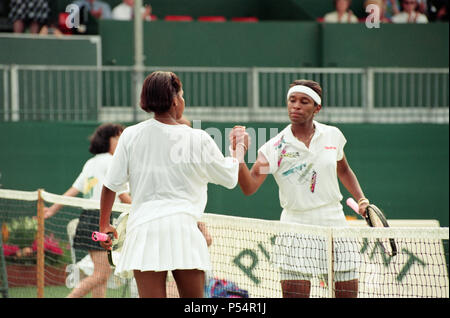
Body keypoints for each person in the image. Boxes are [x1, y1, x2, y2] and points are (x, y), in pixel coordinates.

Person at [98, 71, 244, 298]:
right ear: (176, 101)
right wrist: (238, 150)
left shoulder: (130, 135)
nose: (183, 101)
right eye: (182, 95)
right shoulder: (198, 138)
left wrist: (104, 225)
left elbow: (110, 185)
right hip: (184, 231)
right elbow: (230, 177)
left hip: (144, 232)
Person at [229, 79, 370, 298]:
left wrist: (361, 199)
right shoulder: (275, 147)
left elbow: (343, 170)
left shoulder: (332, 135)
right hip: (296, 227)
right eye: (292, 100)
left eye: (304, 102)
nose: (296, 106)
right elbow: (249, 187)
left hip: (334, 223)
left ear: (317, 108)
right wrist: (238, 154)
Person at [44, 123, 132, 298]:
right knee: (101, 274)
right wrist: (143, 209)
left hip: (87, 220)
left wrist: (52, 210)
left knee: (101, 275)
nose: (123, 142)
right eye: (119, 137)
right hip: (99, 221)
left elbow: (72, 191)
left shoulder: (91, 163)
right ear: (110, 140)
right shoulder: (112, 162)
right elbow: (123, 195)